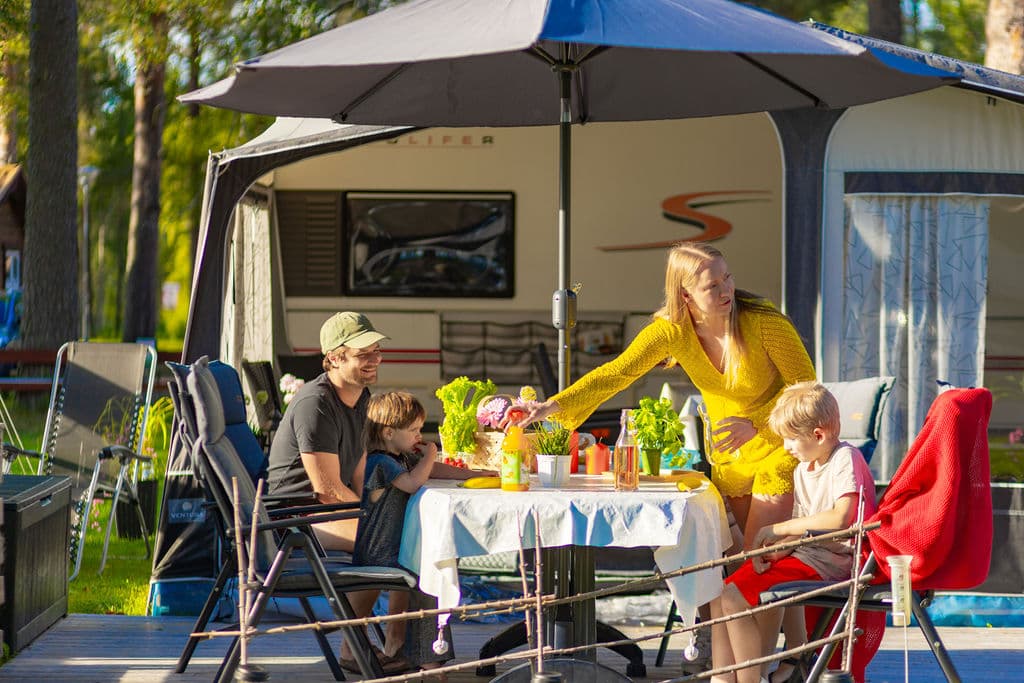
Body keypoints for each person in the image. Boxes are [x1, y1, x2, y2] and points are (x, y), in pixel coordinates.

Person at [512, 242, 815, 549]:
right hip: (732, 454)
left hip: (779, 442)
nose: (727, 290)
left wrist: (757, 425)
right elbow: (617, 373)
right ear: (686, 296)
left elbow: (808, 390)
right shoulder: (671, 331)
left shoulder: (765, 324)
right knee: (750, 557)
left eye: (727, 278)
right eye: (712, 286)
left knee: (761, 554)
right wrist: (551, 406)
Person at [709, 382, 877, 683]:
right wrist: (779, 549)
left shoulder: (845, 459)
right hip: (810, 556)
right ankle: (725, 678)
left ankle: (750, 679)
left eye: (790, 439)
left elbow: (842, 518)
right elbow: (805, 525)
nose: (786, 447)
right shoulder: (803, 469)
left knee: (733, 597)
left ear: (818, 435)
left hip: (836, 561)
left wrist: (779, 528)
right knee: (723, 593)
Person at [347, 391, 480, 675]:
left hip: (393, 547)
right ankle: (422, 655)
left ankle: (405, 648)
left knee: (424, 566)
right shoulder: (380, 462)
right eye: (414, 430)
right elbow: (412, 483)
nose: (419, 435)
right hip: (379, 550)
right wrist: (430, 454)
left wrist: (474, 475)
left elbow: (434, 472)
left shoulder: (400, 458)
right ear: (389, 433)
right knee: (429, 570)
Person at [267, 311, 387, 553]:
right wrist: (375, 518)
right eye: (363, 354)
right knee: (388, 541)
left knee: (405, 534)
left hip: (322, 512)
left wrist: (384, 508)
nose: (375, 359)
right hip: (289, 519)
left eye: (376, 350)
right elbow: (328, 490)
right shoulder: (315, 404)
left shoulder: (361, 397)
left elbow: (359, 472)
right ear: (334, 358)